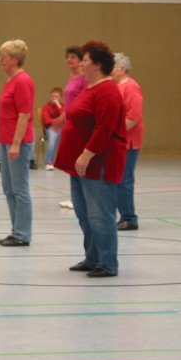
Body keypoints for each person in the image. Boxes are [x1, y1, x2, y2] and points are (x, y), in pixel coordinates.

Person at [54, 40, 127, 277]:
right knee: (85, 214)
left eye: (85, 60)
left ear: (97, 65)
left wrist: (87, 154)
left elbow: (104, 128)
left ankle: (107, 263)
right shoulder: (90, 88)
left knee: (100, 215)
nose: (81, 64)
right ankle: (92, 257)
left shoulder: (107, 90)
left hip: (98, 164)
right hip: (81, 166)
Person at [0, 39, 35, 247]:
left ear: (15, 59)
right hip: (4, 141)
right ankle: (16, 230)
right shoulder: (9, 81)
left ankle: (22, 234)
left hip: (17, 143)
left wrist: (16, 144)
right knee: (9, 189)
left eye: (4, 56)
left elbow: (24, 114)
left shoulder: (22, 81)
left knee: (20, 189)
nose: (0, 60)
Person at [112, 53, 144, 231]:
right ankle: (124, 215)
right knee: (118, 179)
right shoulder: (117, 87)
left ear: (121, 69)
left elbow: (134, 117)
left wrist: (115, 134)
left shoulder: (131, 87)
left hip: (127, 140)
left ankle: (129, 218)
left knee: (124, 180)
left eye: (112, 67)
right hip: (119, 140)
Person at [59, 45, 88, 209]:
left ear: (80, 60)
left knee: (79, 162)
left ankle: (82, 197)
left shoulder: (84, 78)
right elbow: (68, 102)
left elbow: (83, 101)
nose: (69, 60)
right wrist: (62, 117)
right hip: (69, 123)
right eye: (67, 57)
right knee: (72, 162)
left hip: (79, 125)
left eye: (73, 57)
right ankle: (75, 197)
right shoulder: (71, 76)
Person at [41, 88, 64, 170]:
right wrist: (57, 122)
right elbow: (46, 120)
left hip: (61, 128)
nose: (54, 98)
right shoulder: (46, 107)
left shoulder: (63, 107)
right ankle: (49, 162)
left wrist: (59, 106)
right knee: (53, 139)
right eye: (52, 96)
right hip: (49, 129)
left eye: (56, 96)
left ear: (60, 97)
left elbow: (66, 118)